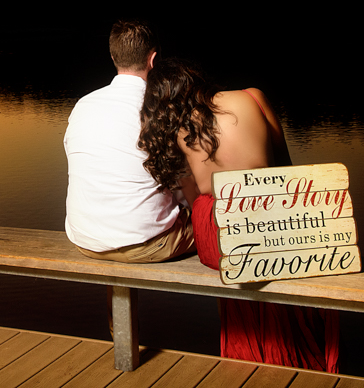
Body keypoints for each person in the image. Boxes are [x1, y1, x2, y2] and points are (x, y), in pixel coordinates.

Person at [138, 57, 339, 372]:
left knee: (211, 211)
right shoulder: (252, 98)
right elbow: (287, 168)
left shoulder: (181, 130)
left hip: (220, 235)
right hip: (272, 218)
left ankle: (251, 351)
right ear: (193, 77)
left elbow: (196, 197)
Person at [64, 20, 196, 263]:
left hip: (85, 241)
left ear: (113, 57)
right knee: (218, 224)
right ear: (153, 59)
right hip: (147, 244)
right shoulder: (159, 108)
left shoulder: (83, 104)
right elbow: (183, 183)